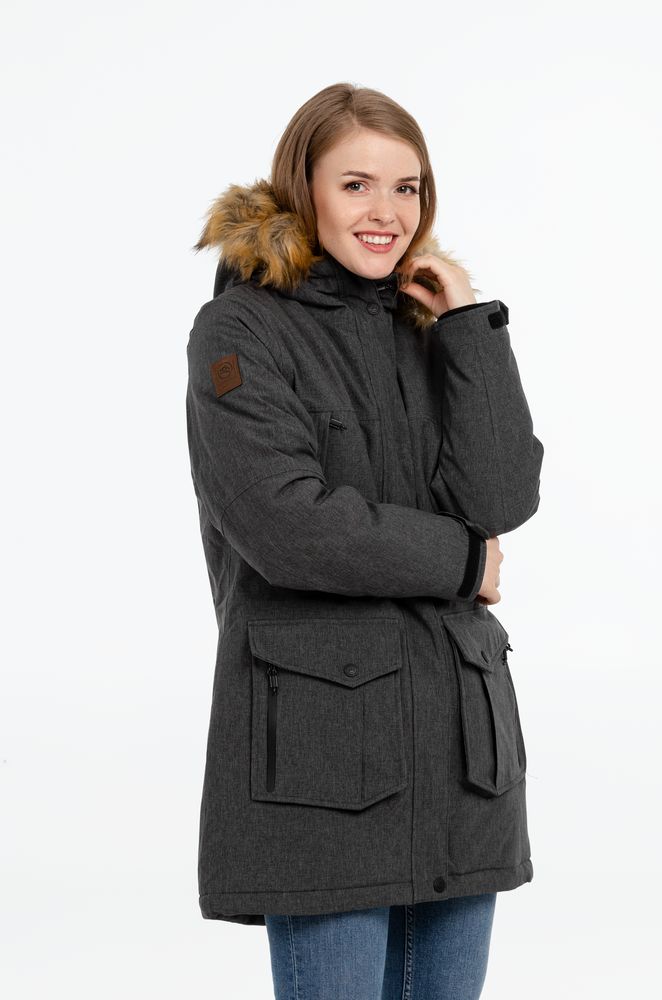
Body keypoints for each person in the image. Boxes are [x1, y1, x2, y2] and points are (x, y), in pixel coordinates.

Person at [186, 82, 544, 1000]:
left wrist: (467, 326)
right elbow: (285, 525)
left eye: (406, 188)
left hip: (460, 758)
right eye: (356, 185)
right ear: (300, 187)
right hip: (324, 759)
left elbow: (501, 496)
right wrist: (462, 560)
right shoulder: (240, 330)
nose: (386, 212)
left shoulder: (427, 326)